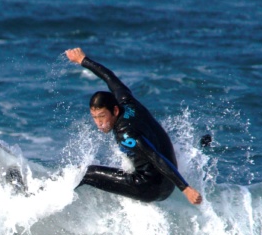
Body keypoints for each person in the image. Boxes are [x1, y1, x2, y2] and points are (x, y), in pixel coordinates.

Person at [65, 48, 203, 205]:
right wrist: (83, 60)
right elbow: (110, 78)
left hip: (152, 187)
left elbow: (154, 156)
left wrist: (185, 189)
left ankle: (47, 199)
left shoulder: (126, 133)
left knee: (86, 173)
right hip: (165, 178)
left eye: (102, 116)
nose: (99, 123)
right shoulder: (126, 100)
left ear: (115, 110)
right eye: (95, 117)